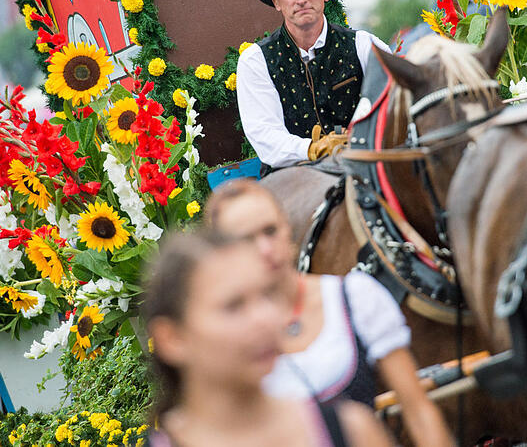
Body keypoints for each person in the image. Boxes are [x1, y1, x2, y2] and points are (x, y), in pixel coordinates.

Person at [205, 180, 454, 447]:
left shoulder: (354, 297)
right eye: (246, 240)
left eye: (270, 231)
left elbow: (419, 411)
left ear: (287, 229)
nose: (265, 249)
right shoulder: (224, 342)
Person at [143, 229, 391, 447]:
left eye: (268, 294)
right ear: (172, 338)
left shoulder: (351, 430)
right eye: (234, 305)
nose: (266, 318)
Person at [237, 0, 390, 170]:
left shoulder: (364, 45)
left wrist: (361, 138)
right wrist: (313, 149)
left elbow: (396, 102)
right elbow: (265, 135)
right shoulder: (255, 60)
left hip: (364, 168)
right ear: (276, 1)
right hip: (293, 176)